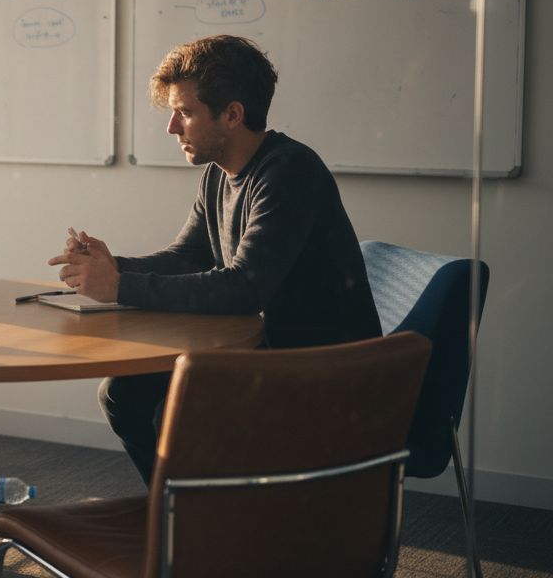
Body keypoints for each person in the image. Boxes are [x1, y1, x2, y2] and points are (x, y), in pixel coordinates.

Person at [48, 35, 380, 485]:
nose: (171, 128)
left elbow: (245, 287)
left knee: (182, 408)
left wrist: (120, 287)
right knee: (123, 393)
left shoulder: (290, 173)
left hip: (318, 374)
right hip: (265, 356)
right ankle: (181, 523)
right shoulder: (217, 176)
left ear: (232, 115)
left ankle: (210, 528)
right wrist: (116, 267)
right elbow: (187, 256)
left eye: (184, 113)